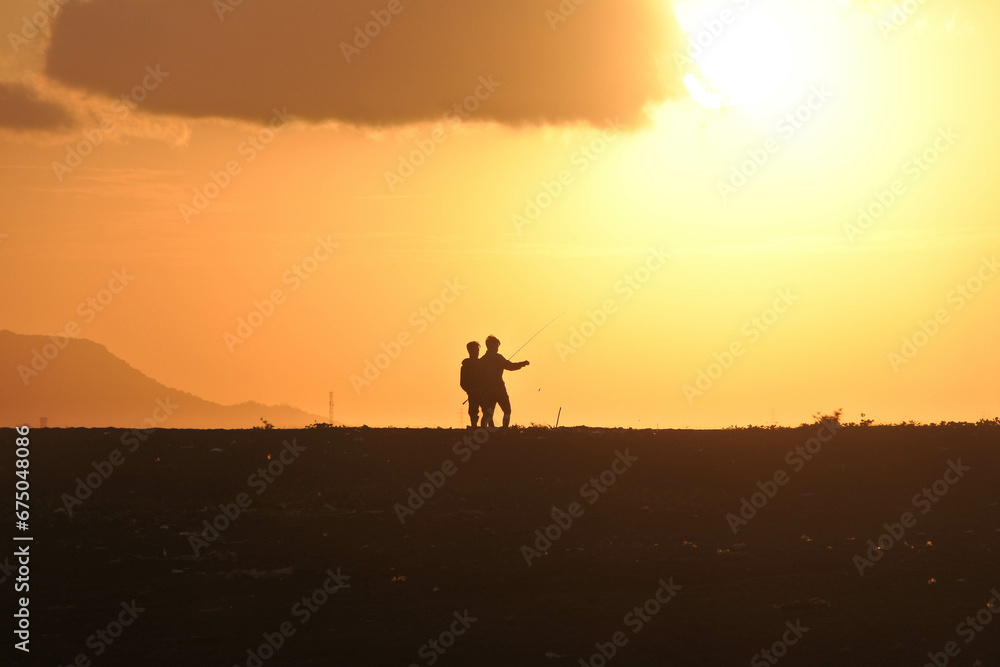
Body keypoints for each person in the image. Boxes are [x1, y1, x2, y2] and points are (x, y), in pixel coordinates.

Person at [479, 335, 529, 428]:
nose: (497, 349)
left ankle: (485, 429)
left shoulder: (482, 360)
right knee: (507, 410)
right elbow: (510, 366)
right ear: (492, 346)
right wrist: (523, 364)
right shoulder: (498, 358)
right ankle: (505, 429)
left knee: (488, 413)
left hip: (487, 390)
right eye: (497, 346)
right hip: (499, 389)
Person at [460, 341, 483, 428]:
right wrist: (470, 390)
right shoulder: (465, 366)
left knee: (487, 410)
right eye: (475, 350)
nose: (476, 352)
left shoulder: (482, 364)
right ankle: (474, 427)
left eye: (477, 350)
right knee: (473, 411)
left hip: (483, 392)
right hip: (473, 393)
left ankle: (484, 427)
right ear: (470, 351)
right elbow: (462, 382)